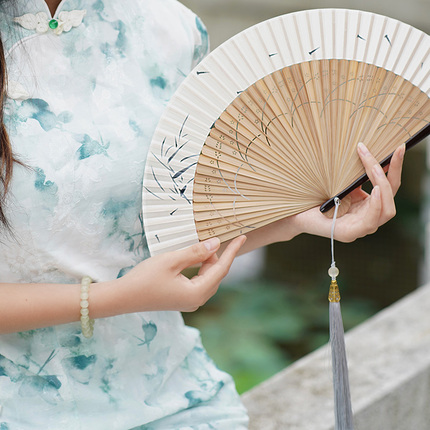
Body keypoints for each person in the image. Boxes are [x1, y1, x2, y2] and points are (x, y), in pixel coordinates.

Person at [0, 0, 405, 429]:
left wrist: (299, 219)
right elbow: (141, 285)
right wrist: (116, 298)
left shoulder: (168, 28)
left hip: (172, 396)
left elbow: (177, 220)